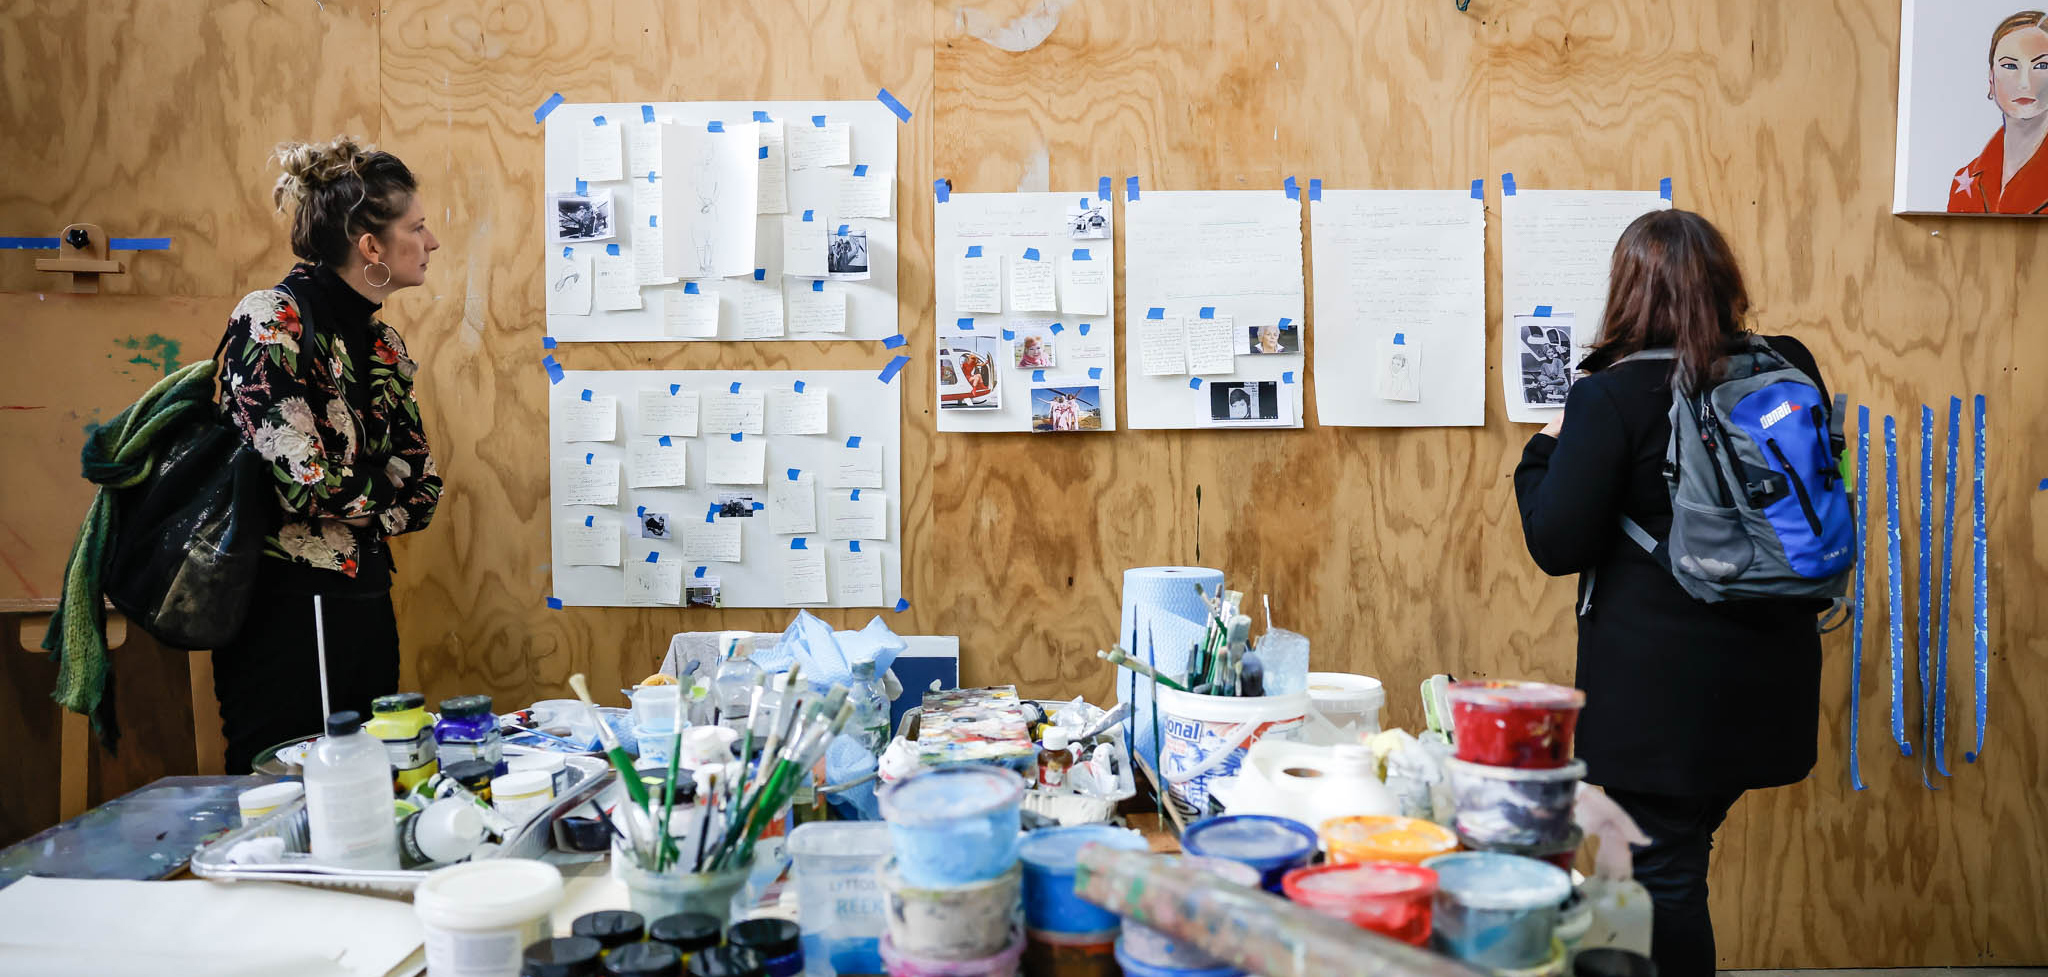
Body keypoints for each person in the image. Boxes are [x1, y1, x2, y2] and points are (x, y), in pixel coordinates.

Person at [1513, 209, 1830, 977]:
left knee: (1665, 881)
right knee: (1677, 859)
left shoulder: (1610, 398)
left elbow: (1556, 543)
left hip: (1660, 707)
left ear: (1626, 292)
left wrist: (1541, 449)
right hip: (1772, 681)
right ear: (1724, 282)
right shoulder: (1787, 363)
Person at [212, 136, 443, 773]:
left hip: (364, 597)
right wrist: (373, 490)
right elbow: (305, 486)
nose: (431, 242)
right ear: (371, 246)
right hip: (284, 608)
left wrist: (361, 495)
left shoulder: (381, 342)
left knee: (378, 775)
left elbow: (421, 489)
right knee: (288, 787)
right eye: (417, 227)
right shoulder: (273, 321)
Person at [1950, 11, 2048, 213]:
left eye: (2041, 65)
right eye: (2010, 65)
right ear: (1991, 79)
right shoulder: (1966, 179)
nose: (2024, 83)